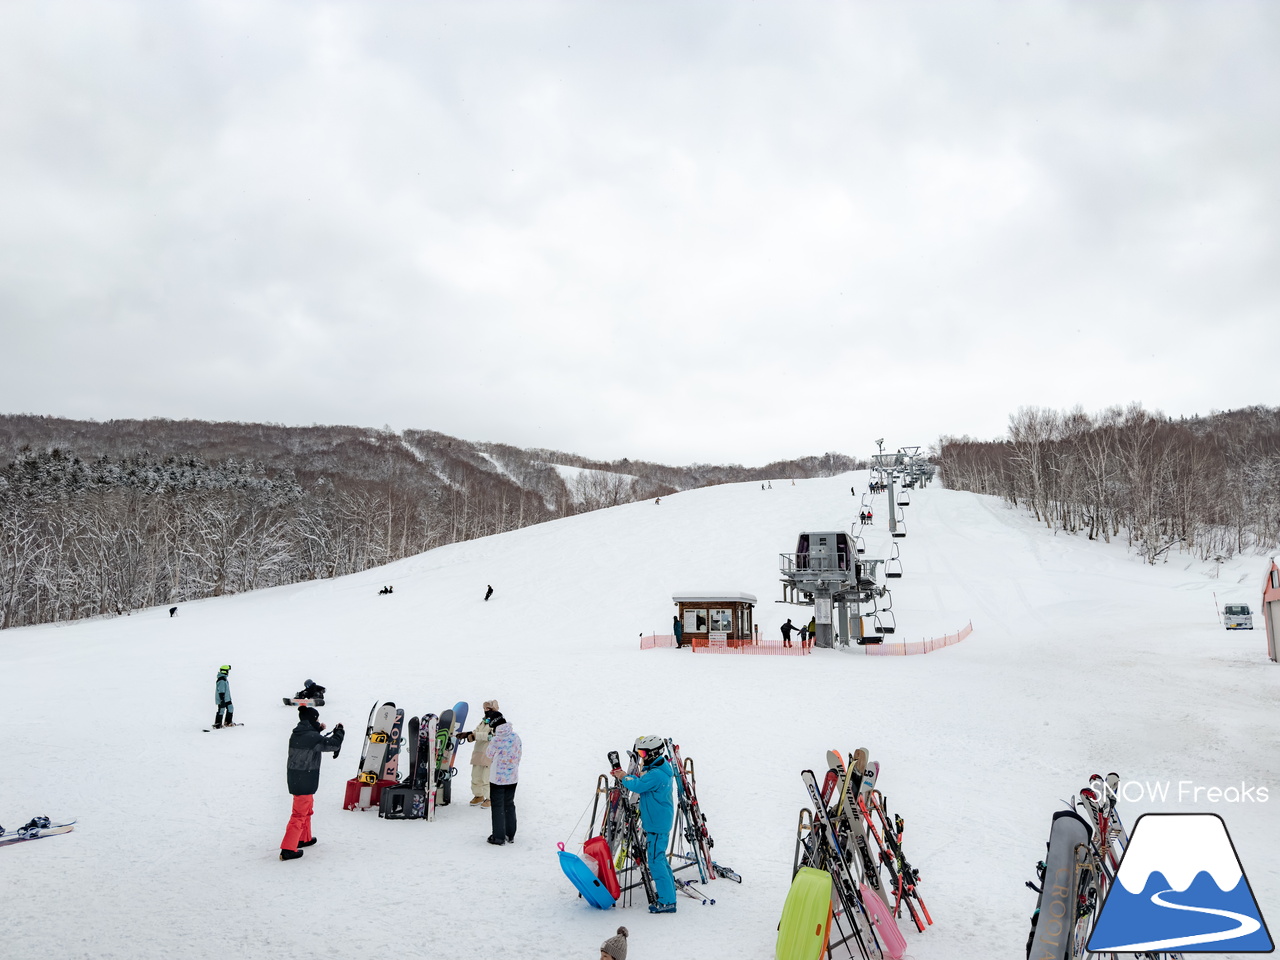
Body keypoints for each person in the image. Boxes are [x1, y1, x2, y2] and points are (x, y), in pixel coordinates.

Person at [611, 735, 676, 914]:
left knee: (655, 862)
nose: (641, 756)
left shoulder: (656, 775)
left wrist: (624, 776)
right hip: (659, 821)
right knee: (660, 859)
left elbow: (638, 786)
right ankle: (669, 894)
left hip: (656, 825)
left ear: (653, 753)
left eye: (642, 752)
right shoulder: (660, 768)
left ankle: (667, 901)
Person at [280, 706, 344, 861]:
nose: (318, 721)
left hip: (299, 778)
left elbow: (312, 740)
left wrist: (317, 729)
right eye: (316, 719)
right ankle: (288, 849)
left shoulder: (299, 733)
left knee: (307, 810)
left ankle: (303, 838)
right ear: (310, 720)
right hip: (304, 779)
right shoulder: (310, 737)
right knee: (299, 814)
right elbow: (332, 744)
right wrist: (340, 731)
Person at [485, 714, 522, 845]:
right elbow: (519, 754)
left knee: (497, 806)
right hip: (512, 777)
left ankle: (498, 837)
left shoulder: (496, 740)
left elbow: (488, 754)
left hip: (497, 779)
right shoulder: (515, 737)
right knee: (509, 804)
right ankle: (510, 834)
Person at [459, 700, 499, 807]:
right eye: (485, 709)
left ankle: (490, 798)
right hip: (478, 752)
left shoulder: (498, 722)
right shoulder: (483, 722)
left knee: (486, 777)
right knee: (476, 776)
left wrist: (476, 736)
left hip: (489, 753)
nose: (486, 711)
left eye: (488, 709)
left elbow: (492, 736)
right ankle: (478, 795)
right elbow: (476, 732)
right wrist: (467, 735)